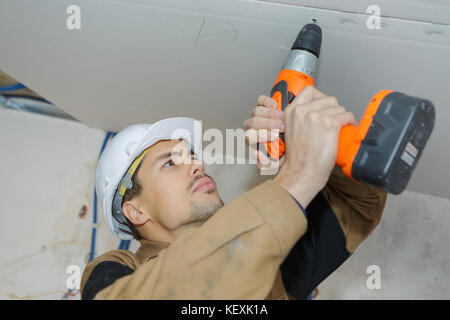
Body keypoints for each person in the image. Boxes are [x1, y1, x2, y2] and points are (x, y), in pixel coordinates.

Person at [80, 86, 387, 299]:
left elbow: (356, 203)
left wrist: (321, 148)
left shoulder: (266, 255)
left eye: (191, 155)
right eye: (170, 162)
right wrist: (296, 178)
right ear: (136, 210)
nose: (197, 165)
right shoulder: (114, 271)